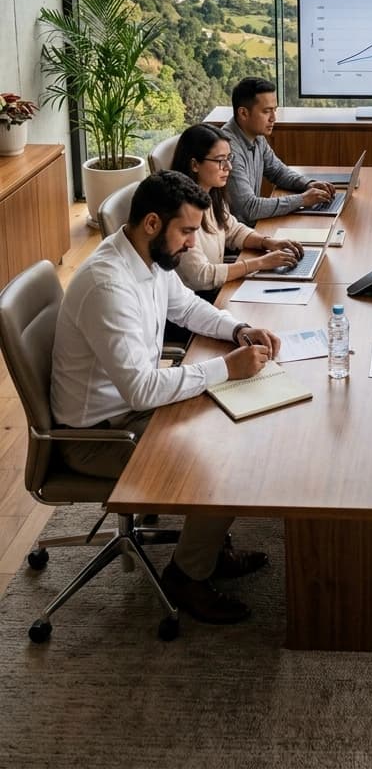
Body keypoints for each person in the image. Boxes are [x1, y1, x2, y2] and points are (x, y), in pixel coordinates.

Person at [51, 170, 282, 625]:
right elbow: (140, 387)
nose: (194, 244)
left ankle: (209, 548)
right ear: (153, 224)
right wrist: (225, 368)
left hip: (129, 408)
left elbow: (187, 306)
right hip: (99, 435)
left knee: (237, 429)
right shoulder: (108, 284)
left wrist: (237, 329)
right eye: (188, 231)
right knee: (225, 462)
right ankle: (188, 575)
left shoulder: (150, 259)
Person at [171, 124, 304, 297]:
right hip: (199, 299)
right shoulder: (181, 212)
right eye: (220, 160)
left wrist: (267, 242)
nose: (229, 167)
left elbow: (233, 230)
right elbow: (200, 277)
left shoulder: (211, 194)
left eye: (229, 158)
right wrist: (259, 263)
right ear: (195, 164)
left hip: (218, 287)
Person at [223, 77, 336, 224]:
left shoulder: (256, 135)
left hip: (251, 231)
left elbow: (277, 171)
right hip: (237, 241)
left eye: (274, 110)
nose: (273, 118)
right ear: (244, 113)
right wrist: (302, 199)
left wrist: (308, 184)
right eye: (266, 111)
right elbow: (249, 208)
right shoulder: (227, 149)